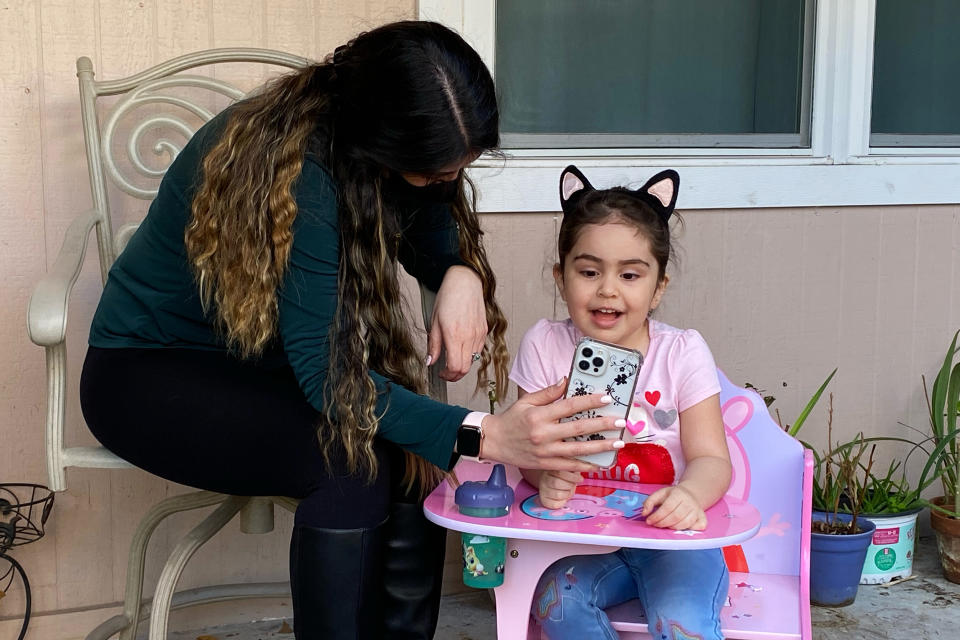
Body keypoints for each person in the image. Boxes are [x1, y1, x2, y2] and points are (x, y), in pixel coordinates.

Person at [78, 22, 624, 640]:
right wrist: (487, 436)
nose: (443, 187)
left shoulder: (374, 149)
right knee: (348, 463)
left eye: (456, 174)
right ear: (378, 144)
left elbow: (429, 222)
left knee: (408, 453)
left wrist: (459, 271)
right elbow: (332, 381)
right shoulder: (299, 175)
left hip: (266, 370)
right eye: (430, 175)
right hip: (148, 376)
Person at [509, 165, 733, 640]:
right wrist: (543, 475)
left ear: (659, 288)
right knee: (556, 601)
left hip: (674, 544)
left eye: (630, 274)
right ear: (561, 276)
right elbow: (523, 448)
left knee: (681, 623)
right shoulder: (546, 345)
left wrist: (690, 496)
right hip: (587, 540)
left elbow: (713, 458)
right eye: (589, 272)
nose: (608, 289)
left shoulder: (682, 352)